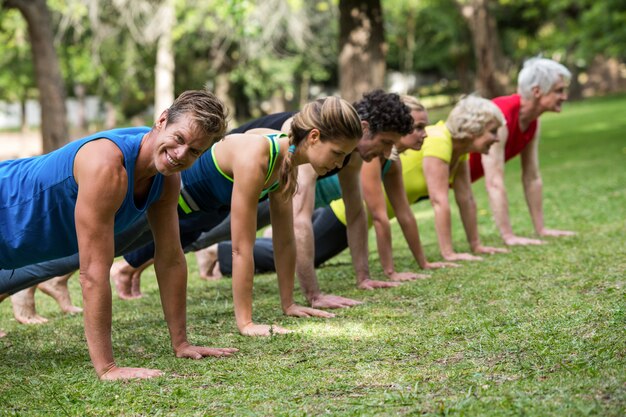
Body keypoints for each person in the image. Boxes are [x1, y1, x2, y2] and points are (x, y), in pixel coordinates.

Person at [0, 90, 237, 380]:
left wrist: (181, 343)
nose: (180, 155)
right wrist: (108, 368)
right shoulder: (106, 166)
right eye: (179, 139)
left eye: (195, 152)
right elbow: (93, 274)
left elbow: (171, 258)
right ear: (162, 120)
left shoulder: (165, 180)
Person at [113, 90, 415, 308]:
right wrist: (309, 297)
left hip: (216, 203)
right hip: (190, 189)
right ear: (313, 137)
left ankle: (118, 269)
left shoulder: (299, 162)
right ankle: (71, 275)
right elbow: (263, 239)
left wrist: (291, 304)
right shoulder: (278, 151)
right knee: (111, 238)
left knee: (177, 241)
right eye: (337, 155)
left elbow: (290, 238)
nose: (339, 165)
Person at [214, 96, 508, 274]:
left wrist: (384, 272)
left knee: (270, 234)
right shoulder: (331, 144)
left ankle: (218, 250)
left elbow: (396, 212)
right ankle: (219, 253)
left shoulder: (382, 156)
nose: (422, 135)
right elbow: (375, 214)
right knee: (225, 230)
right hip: (260, 179)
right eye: (415, 128)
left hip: (309, 199)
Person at [469, 57, 575, 245]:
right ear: (537, 91)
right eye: (559, 91)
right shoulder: (500, 116)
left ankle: (539, 227)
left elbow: (532, 176)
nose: (564, 96)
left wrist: (541, 229)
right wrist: (508, 236)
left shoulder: (534, 120)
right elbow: (494, 182)